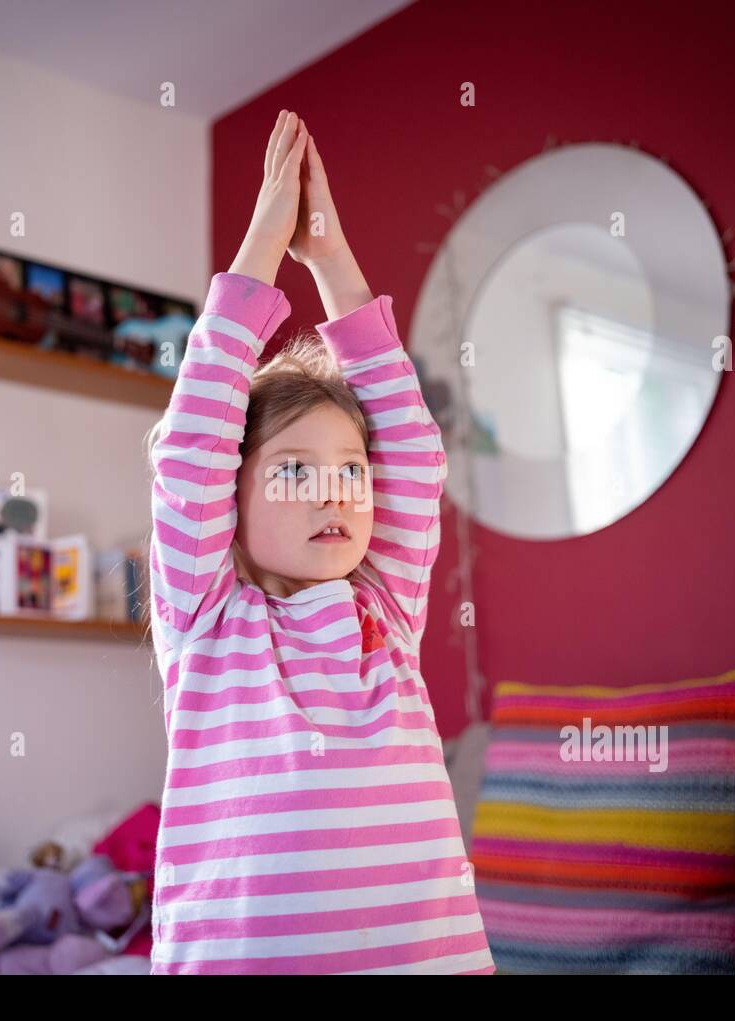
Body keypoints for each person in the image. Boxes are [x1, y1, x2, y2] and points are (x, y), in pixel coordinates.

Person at [143, 110, 494, 974]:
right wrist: (266, 242)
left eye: (349, 469)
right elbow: (191, 441)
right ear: (228, 498)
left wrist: (331, 254)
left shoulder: (386, 613)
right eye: (295, 470)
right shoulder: (205, 620)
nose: (335, 489)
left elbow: (411, 446)